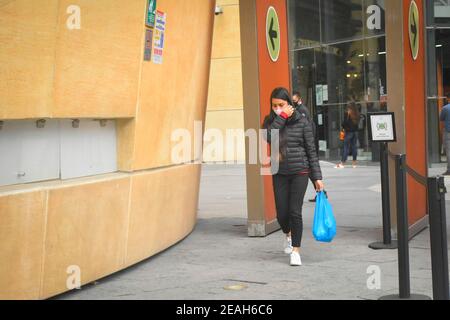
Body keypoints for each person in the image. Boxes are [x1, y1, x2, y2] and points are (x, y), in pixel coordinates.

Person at [263, 87, 324, 266]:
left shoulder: (302, 121)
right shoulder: (269, 121)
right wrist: (281, 118)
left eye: (281, 105)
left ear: (289, 103)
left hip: (300, 171)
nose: (277, 108)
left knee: (294, 212)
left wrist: (317, 178)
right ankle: (287, 234)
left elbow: (311, 151)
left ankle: (296, 251)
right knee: (282, 214)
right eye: (274, 105)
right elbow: (269, 138)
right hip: (279, 172)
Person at [293, 91, 318, 203]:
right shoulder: (300, 109)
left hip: (306, 145)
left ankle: (321, 191)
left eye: (294, 100)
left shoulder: (302, 110)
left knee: (311, 172)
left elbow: (306, 128)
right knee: (311, 172)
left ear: (298, 99)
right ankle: (321, 191)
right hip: (306, 144)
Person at [335, 103, 360, 169]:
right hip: (355, 132)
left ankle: (342, 163)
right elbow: (357, 123)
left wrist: (344, 124)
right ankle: (354, 163)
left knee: (346, 147)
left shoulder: (348, 114)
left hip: (349, 133)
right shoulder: (357, 114)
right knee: (354, 147)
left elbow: (344, 123)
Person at [439, 93, 450, 175]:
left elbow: (441, 119)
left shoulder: (445, 108)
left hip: (448, 132)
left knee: (449, 151)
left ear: (448, 99)